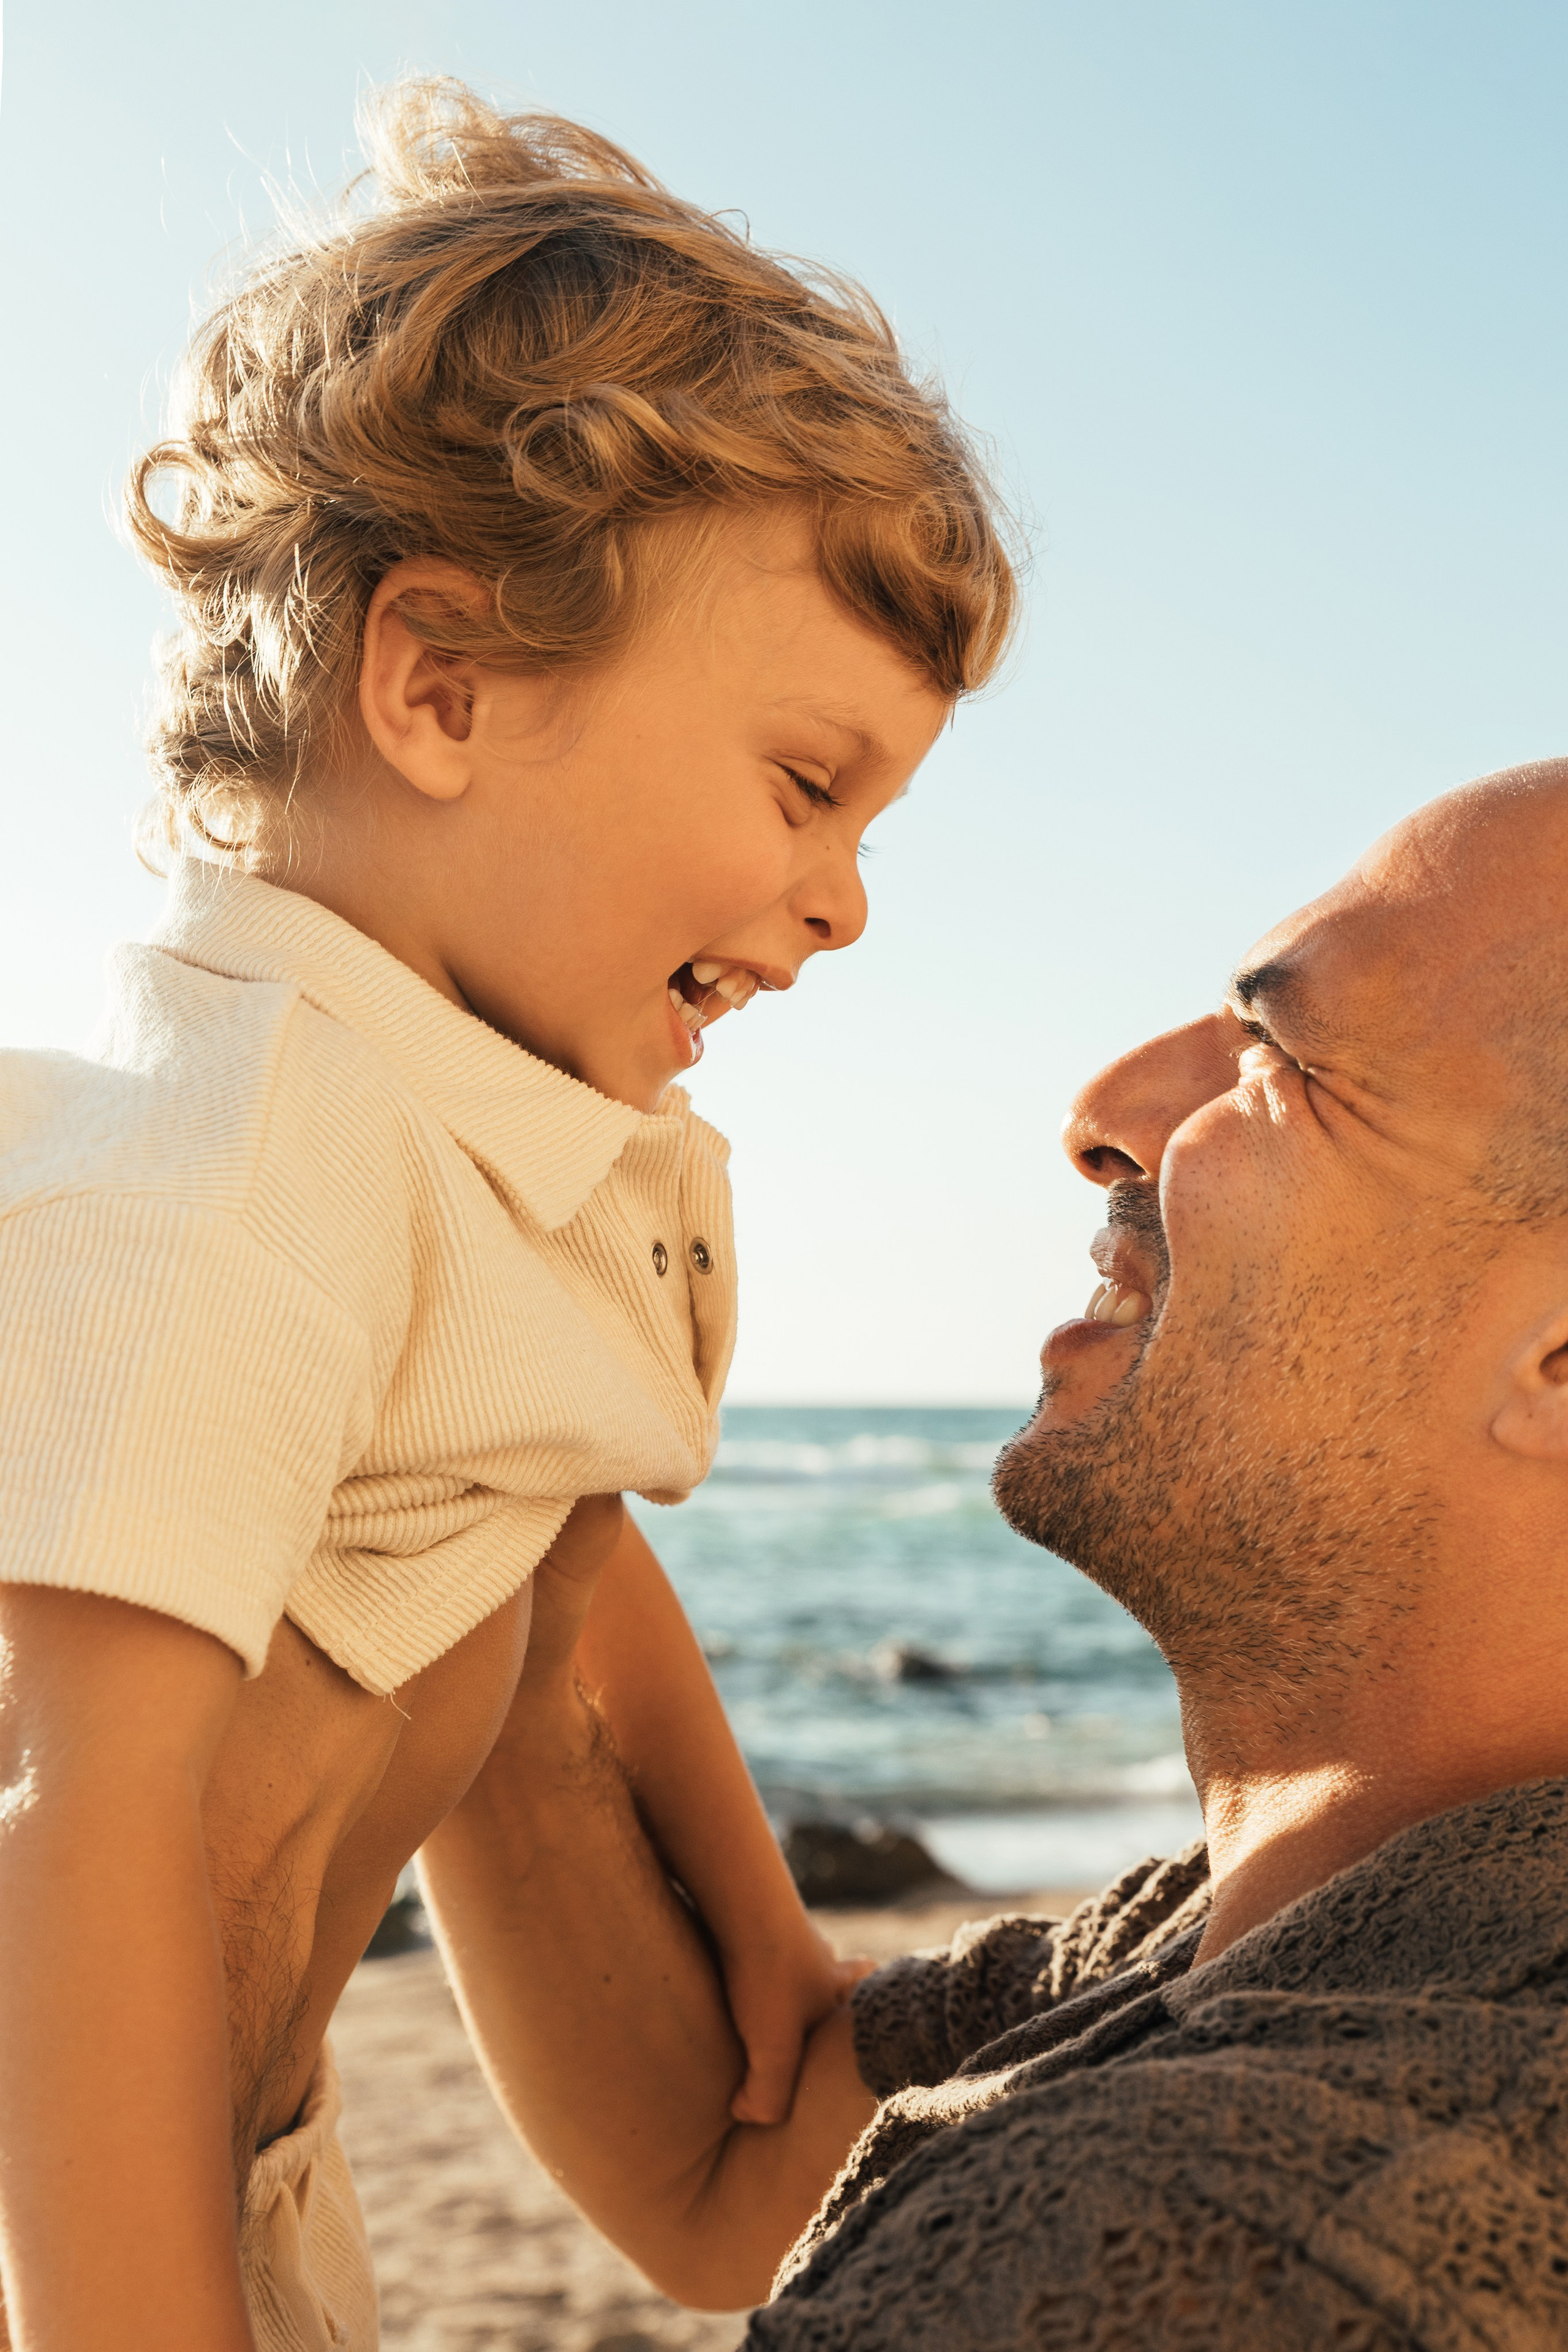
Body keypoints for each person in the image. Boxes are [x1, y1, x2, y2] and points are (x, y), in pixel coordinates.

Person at [0, 78, 1015, 2352]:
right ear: (442, 688)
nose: (843, 902)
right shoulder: (225, 1167)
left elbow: (565, 1541)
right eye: (806, 784)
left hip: (245, 2175)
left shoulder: (476, 1146)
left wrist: (763, 1932)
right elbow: (72, 1816)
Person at [471, 756, 1568, 2346]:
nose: (1103, 1115)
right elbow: (726, 2158)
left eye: (1279, 1055)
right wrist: (460, 1519)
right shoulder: (1308, 1908)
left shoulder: (1233, 2230)